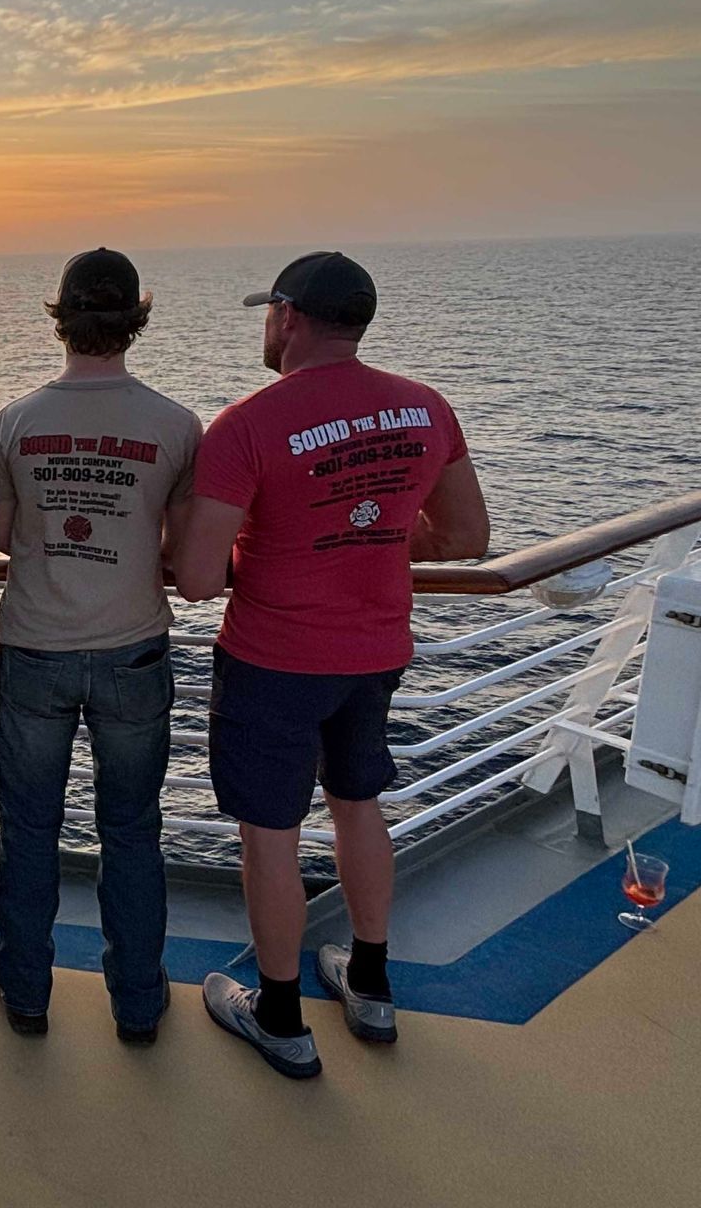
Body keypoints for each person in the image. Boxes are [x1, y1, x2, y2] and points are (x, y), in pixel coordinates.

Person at [174, 251, 489, 1079]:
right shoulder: (425, 408)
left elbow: (200, 579)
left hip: (275, 660)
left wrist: (281, 551)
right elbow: (465, 538)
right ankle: (372, 985)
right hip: (375, 649)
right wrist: (370, 540)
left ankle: (278, 1016)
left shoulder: (245, 425)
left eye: (267, 315)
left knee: (270, 836)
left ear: (289, 316)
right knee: (358, 805)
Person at [0, 248, 203, 1041]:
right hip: (134, 651)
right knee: (133, 831)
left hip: (36, 648)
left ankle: (29, 991)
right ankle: (138, 1003)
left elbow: (1, 537)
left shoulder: (15, 422)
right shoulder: (177, 426)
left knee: (30, 829)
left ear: (62, 318)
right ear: (134, 320)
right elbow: (181, 548)